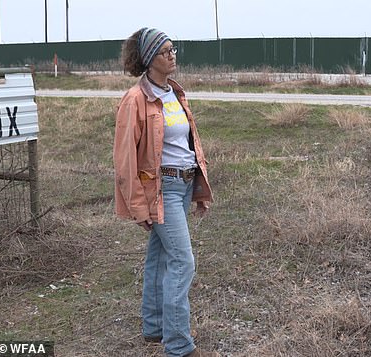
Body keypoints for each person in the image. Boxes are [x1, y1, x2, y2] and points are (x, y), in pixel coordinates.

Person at [113, 27, 216, 357]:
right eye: (165, 51)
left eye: (174, 50)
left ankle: (155, 327)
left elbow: (189, 144)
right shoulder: (135, 100)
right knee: (183, 262)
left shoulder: (175, 93)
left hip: (183, 186)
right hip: (162, 190)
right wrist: (137, 206)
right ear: (149, 59)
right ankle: (179, 347)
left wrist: (199, 188)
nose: (172, 56)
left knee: (160, 257)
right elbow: (126, 158)